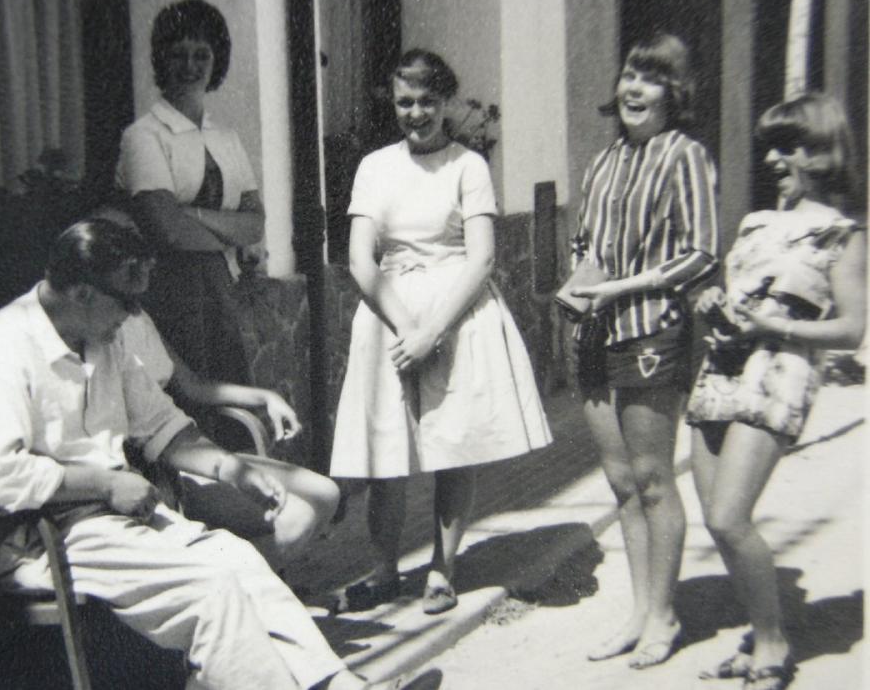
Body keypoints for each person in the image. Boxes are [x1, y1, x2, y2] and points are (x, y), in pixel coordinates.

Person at [0, 219, 395, 690]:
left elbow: (160, 425)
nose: (135, 317)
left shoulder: (101, 341)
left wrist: (231, 469)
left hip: (114, 518)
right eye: (128, 302)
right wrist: (106, 483)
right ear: (81, 293)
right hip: (36, 532)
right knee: (210, 591)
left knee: (238, 562)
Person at [330, 49, 553, 616]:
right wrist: (408, 328)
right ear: (393, 102)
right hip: (389, 316)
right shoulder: (375, 167)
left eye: (428, 100)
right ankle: (383, 568)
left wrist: (434, 331)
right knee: (387, 448)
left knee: (452, 444)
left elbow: (481, 259)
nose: (417, 112)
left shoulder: (467, 166)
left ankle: (441, 567)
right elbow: (360, 259)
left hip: (457, 313)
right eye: (405, 101)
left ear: (446, 101)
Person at [686, 93, 866, 690]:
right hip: (721, 368)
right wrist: (710, 303)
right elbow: (735, 298)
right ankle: (763, 632)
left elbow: (851, 328)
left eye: (786, 146)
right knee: (715, 524)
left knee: (730, 516)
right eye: (769, 145)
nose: (771, 158)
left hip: (779, 374)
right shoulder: (756, 222)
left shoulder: (842, 234)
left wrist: (775, 326)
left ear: (820, 153)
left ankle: (773, 644)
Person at [567, 33, 719, 668]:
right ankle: (637, 614)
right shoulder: (601, 164)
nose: (634, 88)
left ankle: (665, 615)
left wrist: (624, 286)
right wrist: (579, 282)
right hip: (596, 334)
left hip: (653, 331)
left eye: (651, 79)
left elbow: (702, 252)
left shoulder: (684, 156)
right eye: (630, 74)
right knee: (622, 483)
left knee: (656, 480)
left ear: (674, 94)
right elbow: (583, 243)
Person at [120, 308, 340, 565]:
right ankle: (256, 594)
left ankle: (266, 588)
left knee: (326, 494)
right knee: (297, 516)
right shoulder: (102, 335)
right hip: (161, 469)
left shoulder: (138, 317)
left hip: (182, 446)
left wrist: (265, 397)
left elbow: (193, 387)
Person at [116, 0, 260, 386]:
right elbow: (166, 230)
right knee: (187, 394)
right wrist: (228, 231)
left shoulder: (226, 138)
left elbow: (256, 225)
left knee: (229, 388)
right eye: (179, 55)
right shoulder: (143, 136)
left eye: (202, 55)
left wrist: (192, 214)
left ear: (217, 62)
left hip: (221, 291)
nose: (190, 66)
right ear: (161, 60)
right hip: (171, 291)